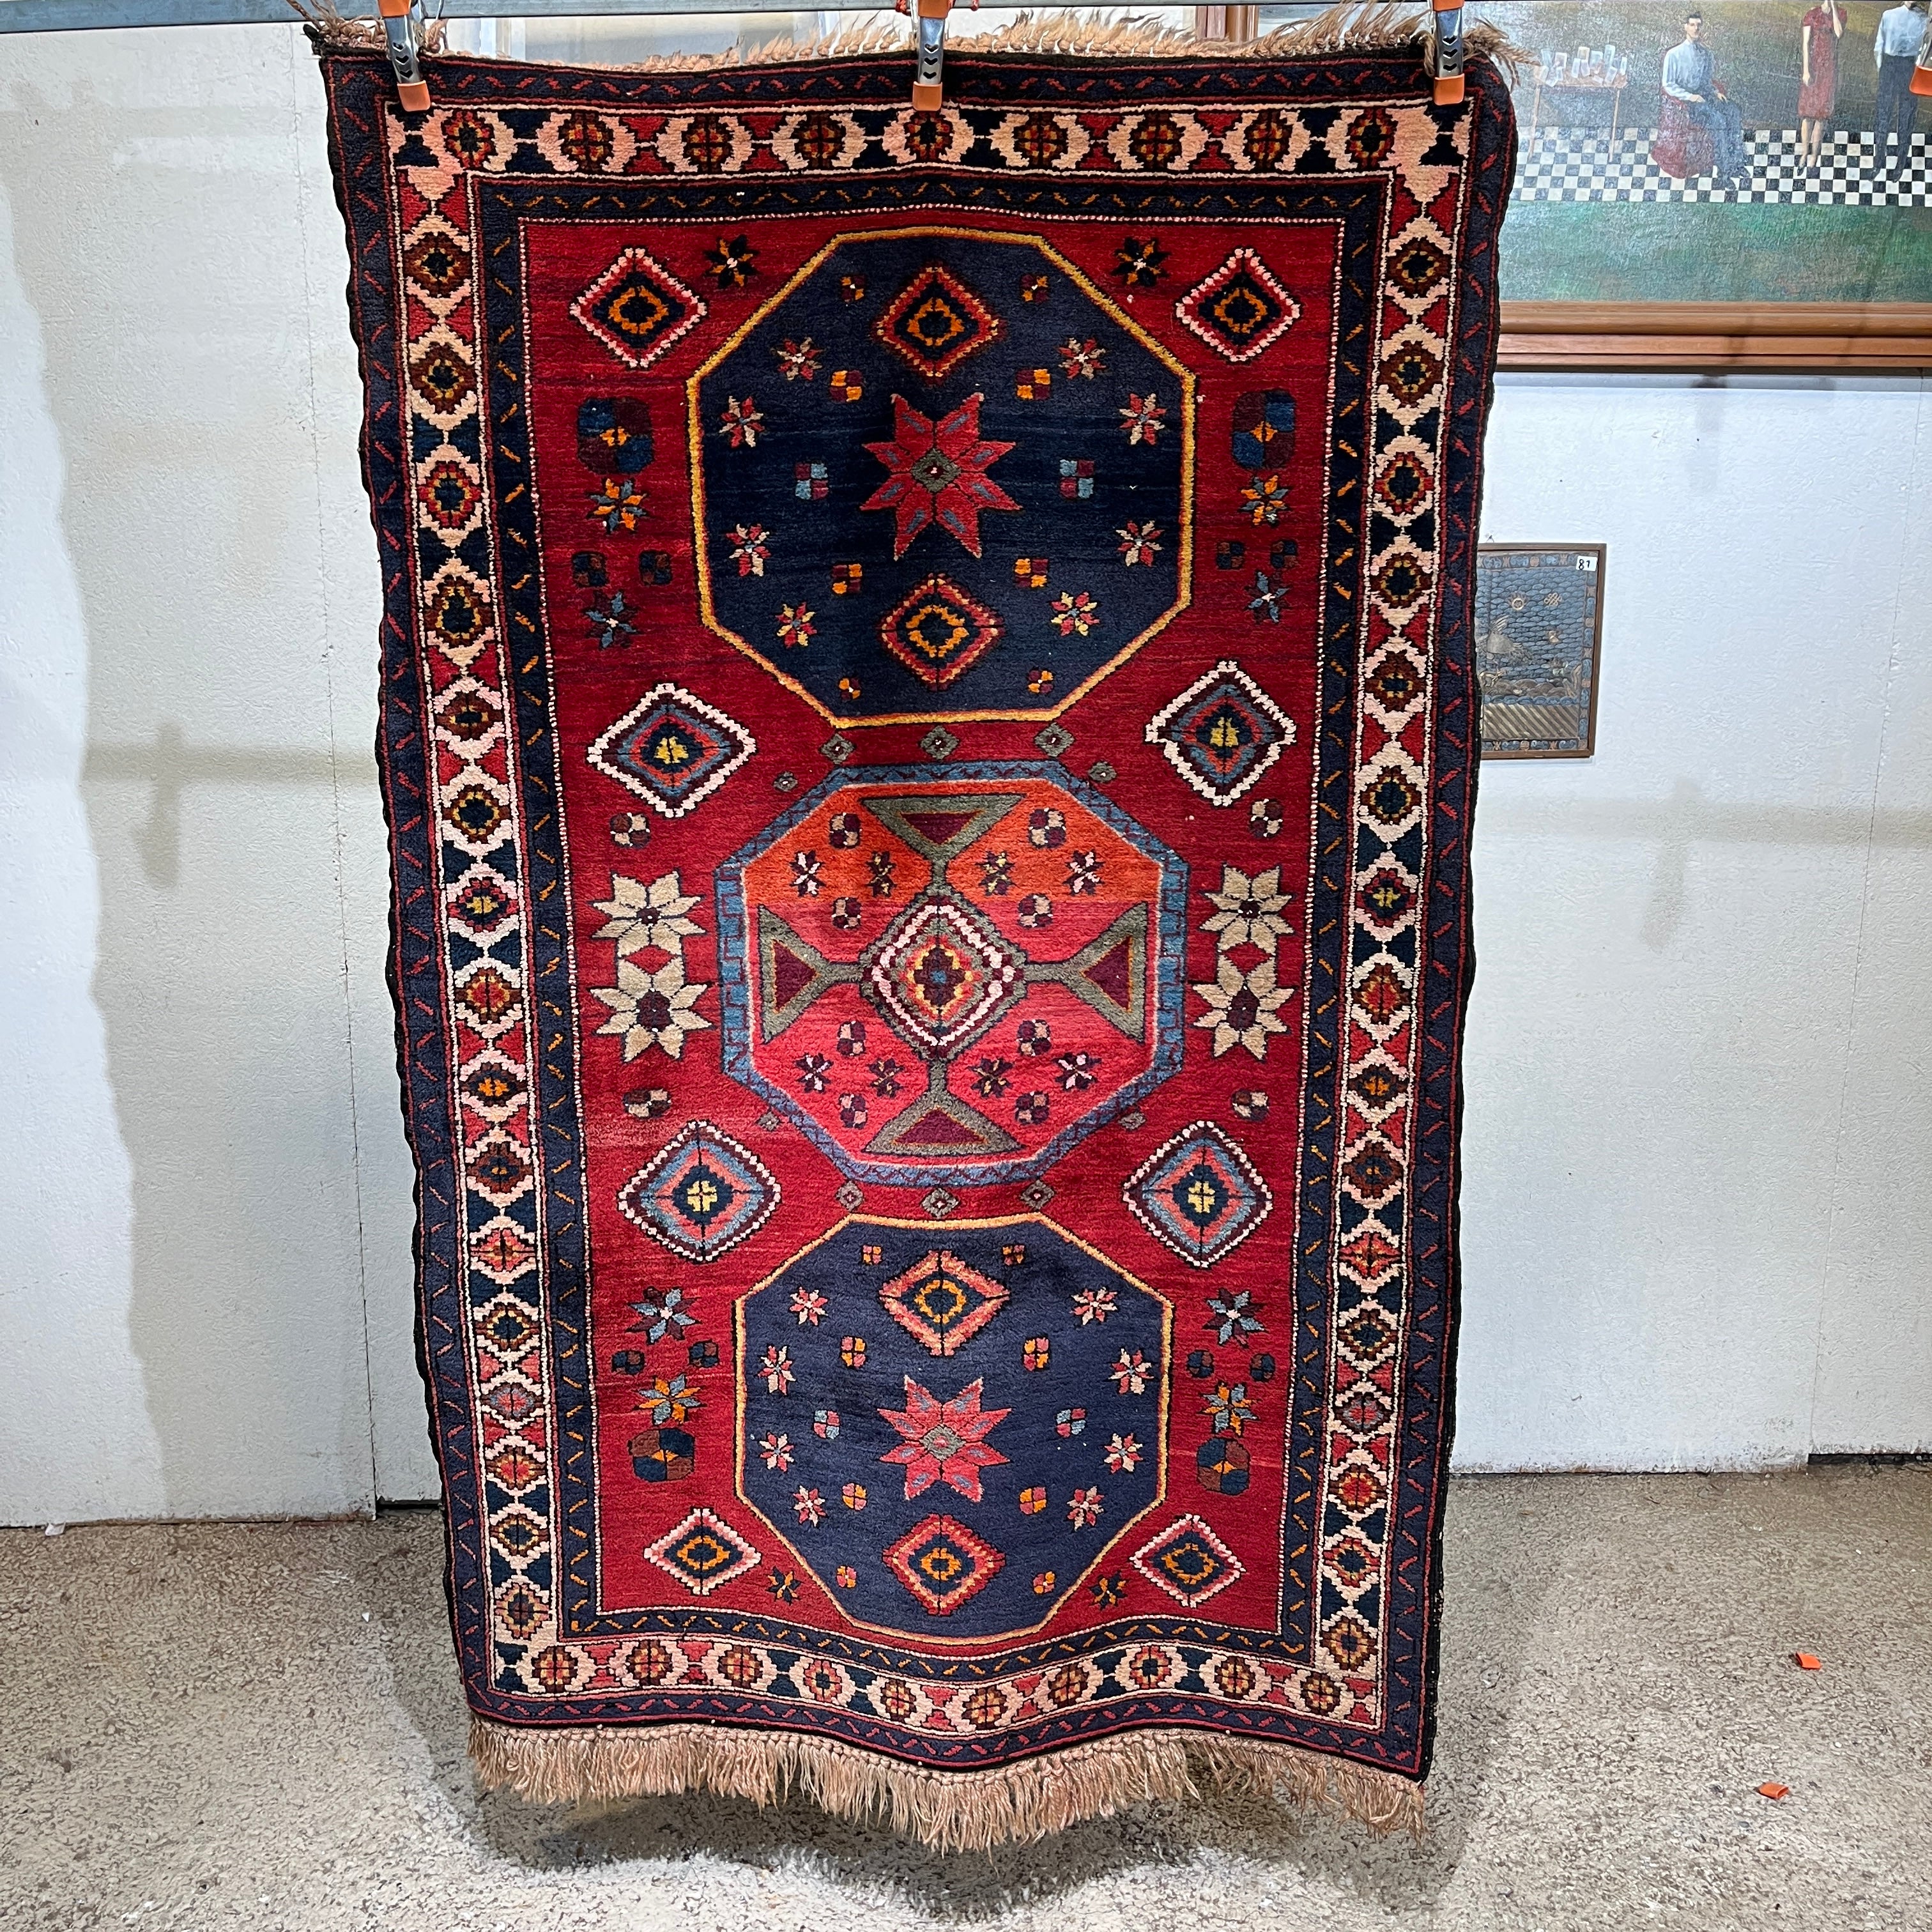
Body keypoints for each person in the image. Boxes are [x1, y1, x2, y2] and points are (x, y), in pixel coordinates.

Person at [1661, 13, 1749, 192]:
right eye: (1692, 25)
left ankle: (1736, 163)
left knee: (1733, 111)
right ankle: (1724, 174)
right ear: (1686, 27)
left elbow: (1706, 82)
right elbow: (1668, 85)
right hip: (1688, 103)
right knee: (1718, 121)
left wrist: (1715, 92)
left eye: (1698, 26)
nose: (1696, 29)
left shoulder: (1705, 53)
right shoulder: (1674, 54)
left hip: (1705, 97)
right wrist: (1690, 97)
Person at [1873, 1, 1929, 178]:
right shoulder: (1889, 15)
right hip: (1889, 66)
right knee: (1883, 116)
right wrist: (1882, 69)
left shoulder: (1925, 19)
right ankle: (1878, 162)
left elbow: (1925, 48)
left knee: (1906, 118)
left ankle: (1900, 166)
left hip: (1909, 67)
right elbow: (1879, 46)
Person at [1798, 1, 1844, 176]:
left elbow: (1838, 33)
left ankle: (1814, 158)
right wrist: (1806, 70)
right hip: (1813, 67)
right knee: (1807, 115)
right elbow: (1805, 43)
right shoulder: (1812, 14)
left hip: (1829, 69)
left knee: (1821, 116)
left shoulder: (1841, 13)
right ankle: (1804, 153)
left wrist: (1834, 9)